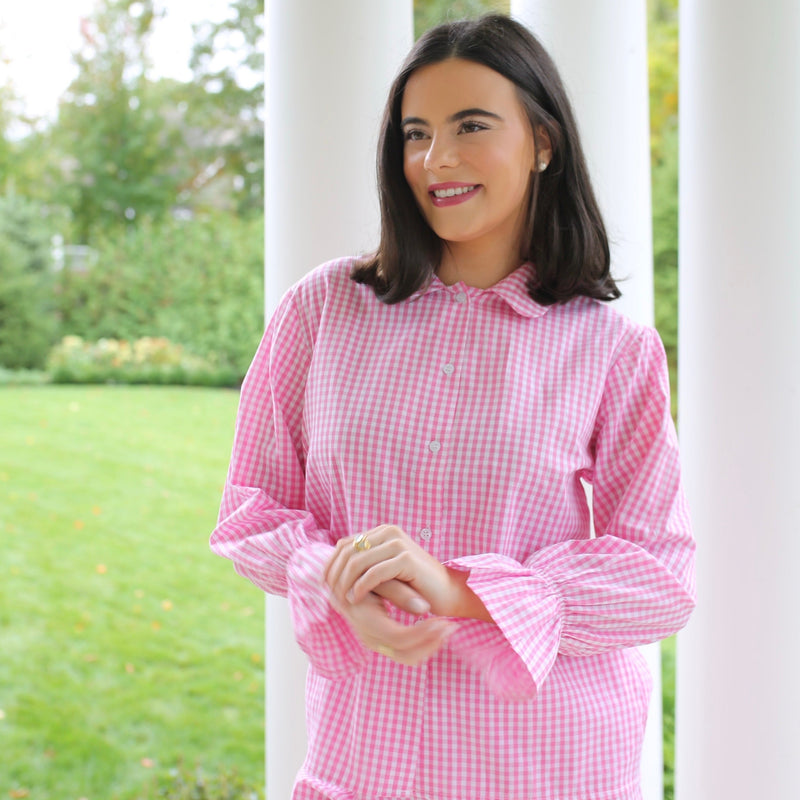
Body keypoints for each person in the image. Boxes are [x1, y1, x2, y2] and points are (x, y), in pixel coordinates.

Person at [210, 13, 696, 800]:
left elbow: (659, 579)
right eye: (416, 132)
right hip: (367, 754)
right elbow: (251, 510)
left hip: (548, 762)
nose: (436, 159)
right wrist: (339, 580)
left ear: (543, 141)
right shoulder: (322, 311)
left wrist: (461, 591)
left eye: (471, 125)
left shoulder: (612, 348)